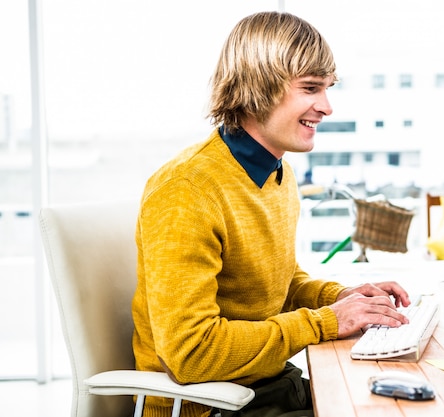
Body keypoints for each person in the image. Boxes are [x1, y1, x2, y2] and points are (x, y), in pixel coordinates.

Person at [131, 11, 411, 417]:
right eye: (311, 88)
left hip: (265, 390)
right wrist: (326, 322)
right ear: (258, 87)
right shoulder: (187, 189)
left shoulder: (278, 173)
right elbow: (191, 354)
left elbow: (275, 286)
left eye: (328, 89)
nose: (327, 107)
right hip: (209, 406)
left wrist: (345, 300)